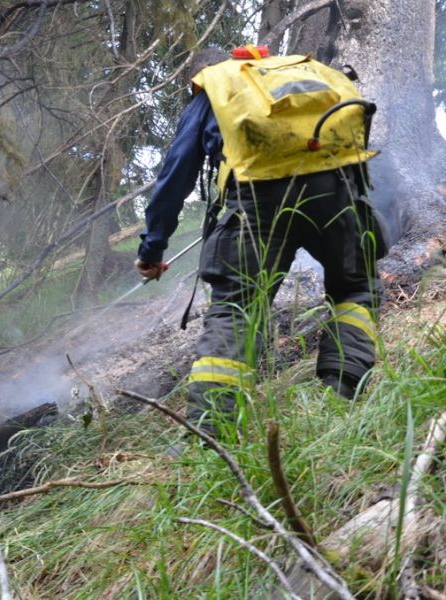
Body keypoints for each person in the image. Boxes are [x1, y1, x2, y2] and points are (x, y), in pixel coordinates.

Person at [136, 46, 386, 438]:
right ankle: (342, 392)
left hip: (258, 204)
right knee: (355, 287)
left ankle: (210, 434)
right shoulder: (301, 73)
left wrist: (152, 250)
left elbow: (176, 174)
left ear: (201, 73)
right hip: (336, 191)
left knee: (236, 309)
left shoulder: (213, 87)